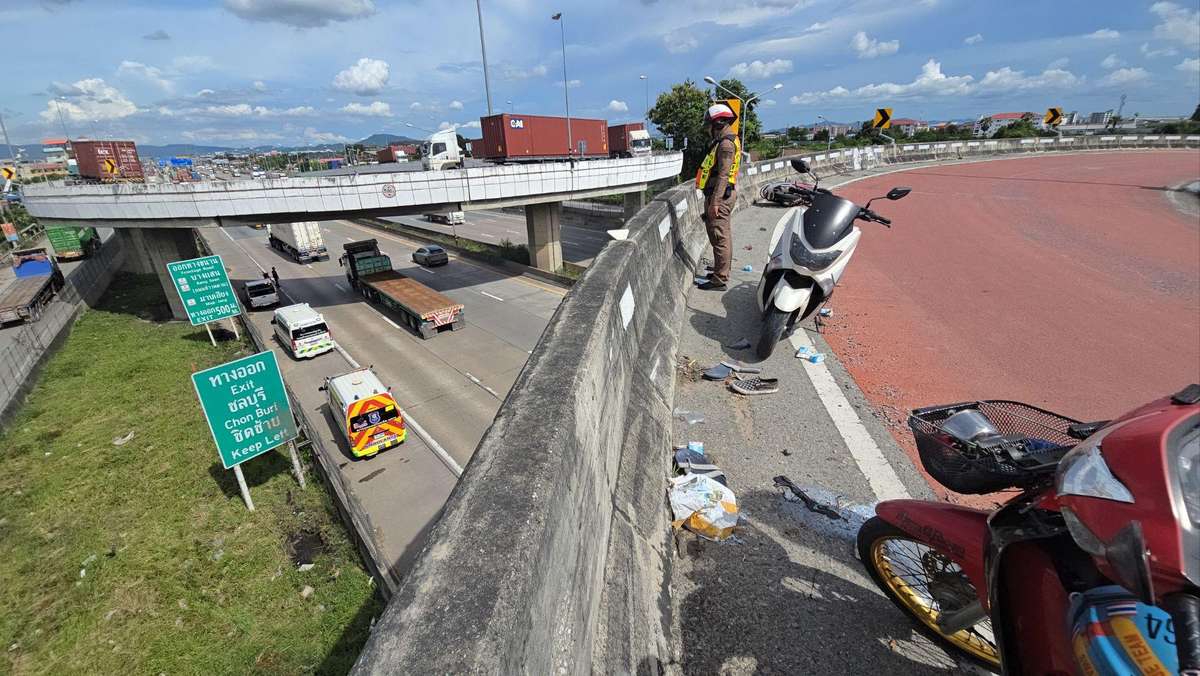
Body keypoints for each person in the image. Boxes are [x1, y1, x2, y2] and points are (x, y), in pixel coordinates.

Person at [695, 103, 741, 291]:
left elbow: (723, 175)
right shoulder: (725, 141)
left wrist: (714, 202)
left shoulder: (726, 144)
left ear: (718, 123)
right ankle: (719, 270)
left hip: (720, 197)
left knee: (720, 236)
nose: (708, 130)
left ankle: (719, 279)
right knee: (721, 235)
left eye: (710, 126)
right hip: (720, 195)